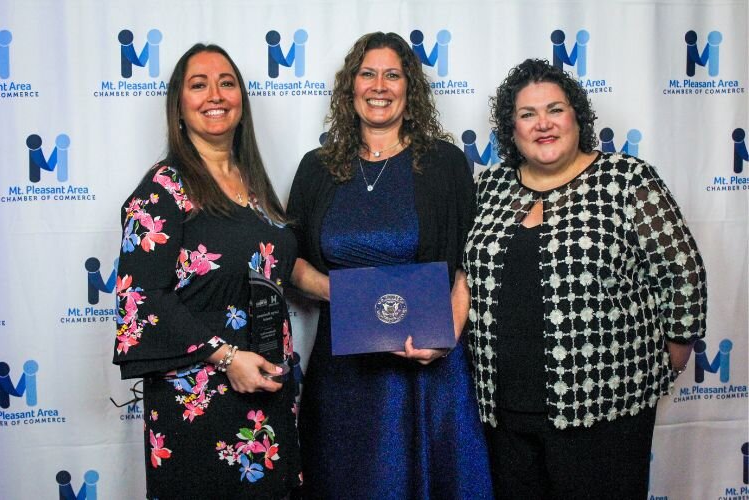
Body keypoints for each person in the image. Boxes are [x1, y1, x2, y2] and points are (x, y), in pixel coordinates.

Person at [461, 58, 707, 499]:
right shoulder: (488, 188)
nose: (543, 124)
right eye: (527, 114)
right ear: (510, 128)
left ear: (577, 116)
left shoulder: (626, 180)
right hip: (503, 410)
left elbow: (682, 275)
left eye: (555, 109)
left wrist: (666, 360)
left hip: (607, 406)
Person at [286, 32, 493, 498]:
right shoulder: (316, 169)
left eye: (392, 75)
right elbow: (289, 261)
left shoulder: (444, 163)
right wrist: (338, 292)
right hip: (343, 375)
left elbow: (467, 267)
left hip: (425, 370)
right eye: (368, 73)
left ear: (409, 88)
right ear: (350, 86)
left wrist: (446, 338)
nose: (379, 86)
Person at [112, 43, 301, 499]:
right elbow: (142, 297)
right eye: (199, 85)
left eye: (227, 83)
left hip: (268, 395)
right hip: (200, 402)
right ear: (179, 106)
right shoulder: (163, 189)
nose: (215, 95)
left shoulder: (253, 184)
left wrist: (351, 292)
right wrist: (228, 358)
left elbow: (279, 268)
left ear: (242, 101)